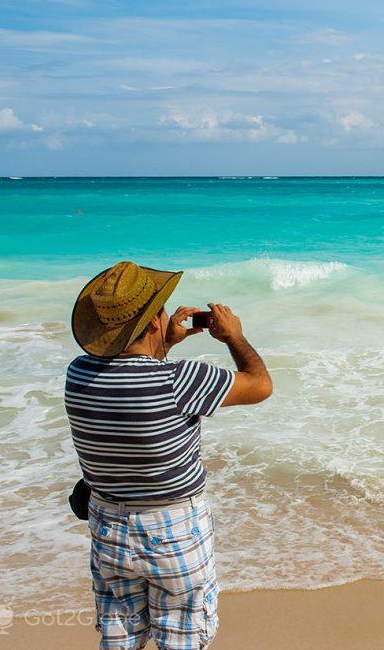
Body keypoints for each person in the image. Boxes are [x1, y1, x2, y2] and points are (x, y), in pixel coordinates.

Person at [65, 261, 272, 650]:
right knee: (182, 639)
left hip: (109, 526)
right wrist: (233, 338)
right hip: (174, 529)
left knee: (120, 639)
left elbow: (134, 381)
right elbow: (259, 385)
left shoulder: (78, 375)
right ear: (156, 322)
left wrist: (166, 343)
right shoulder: (180, 380)